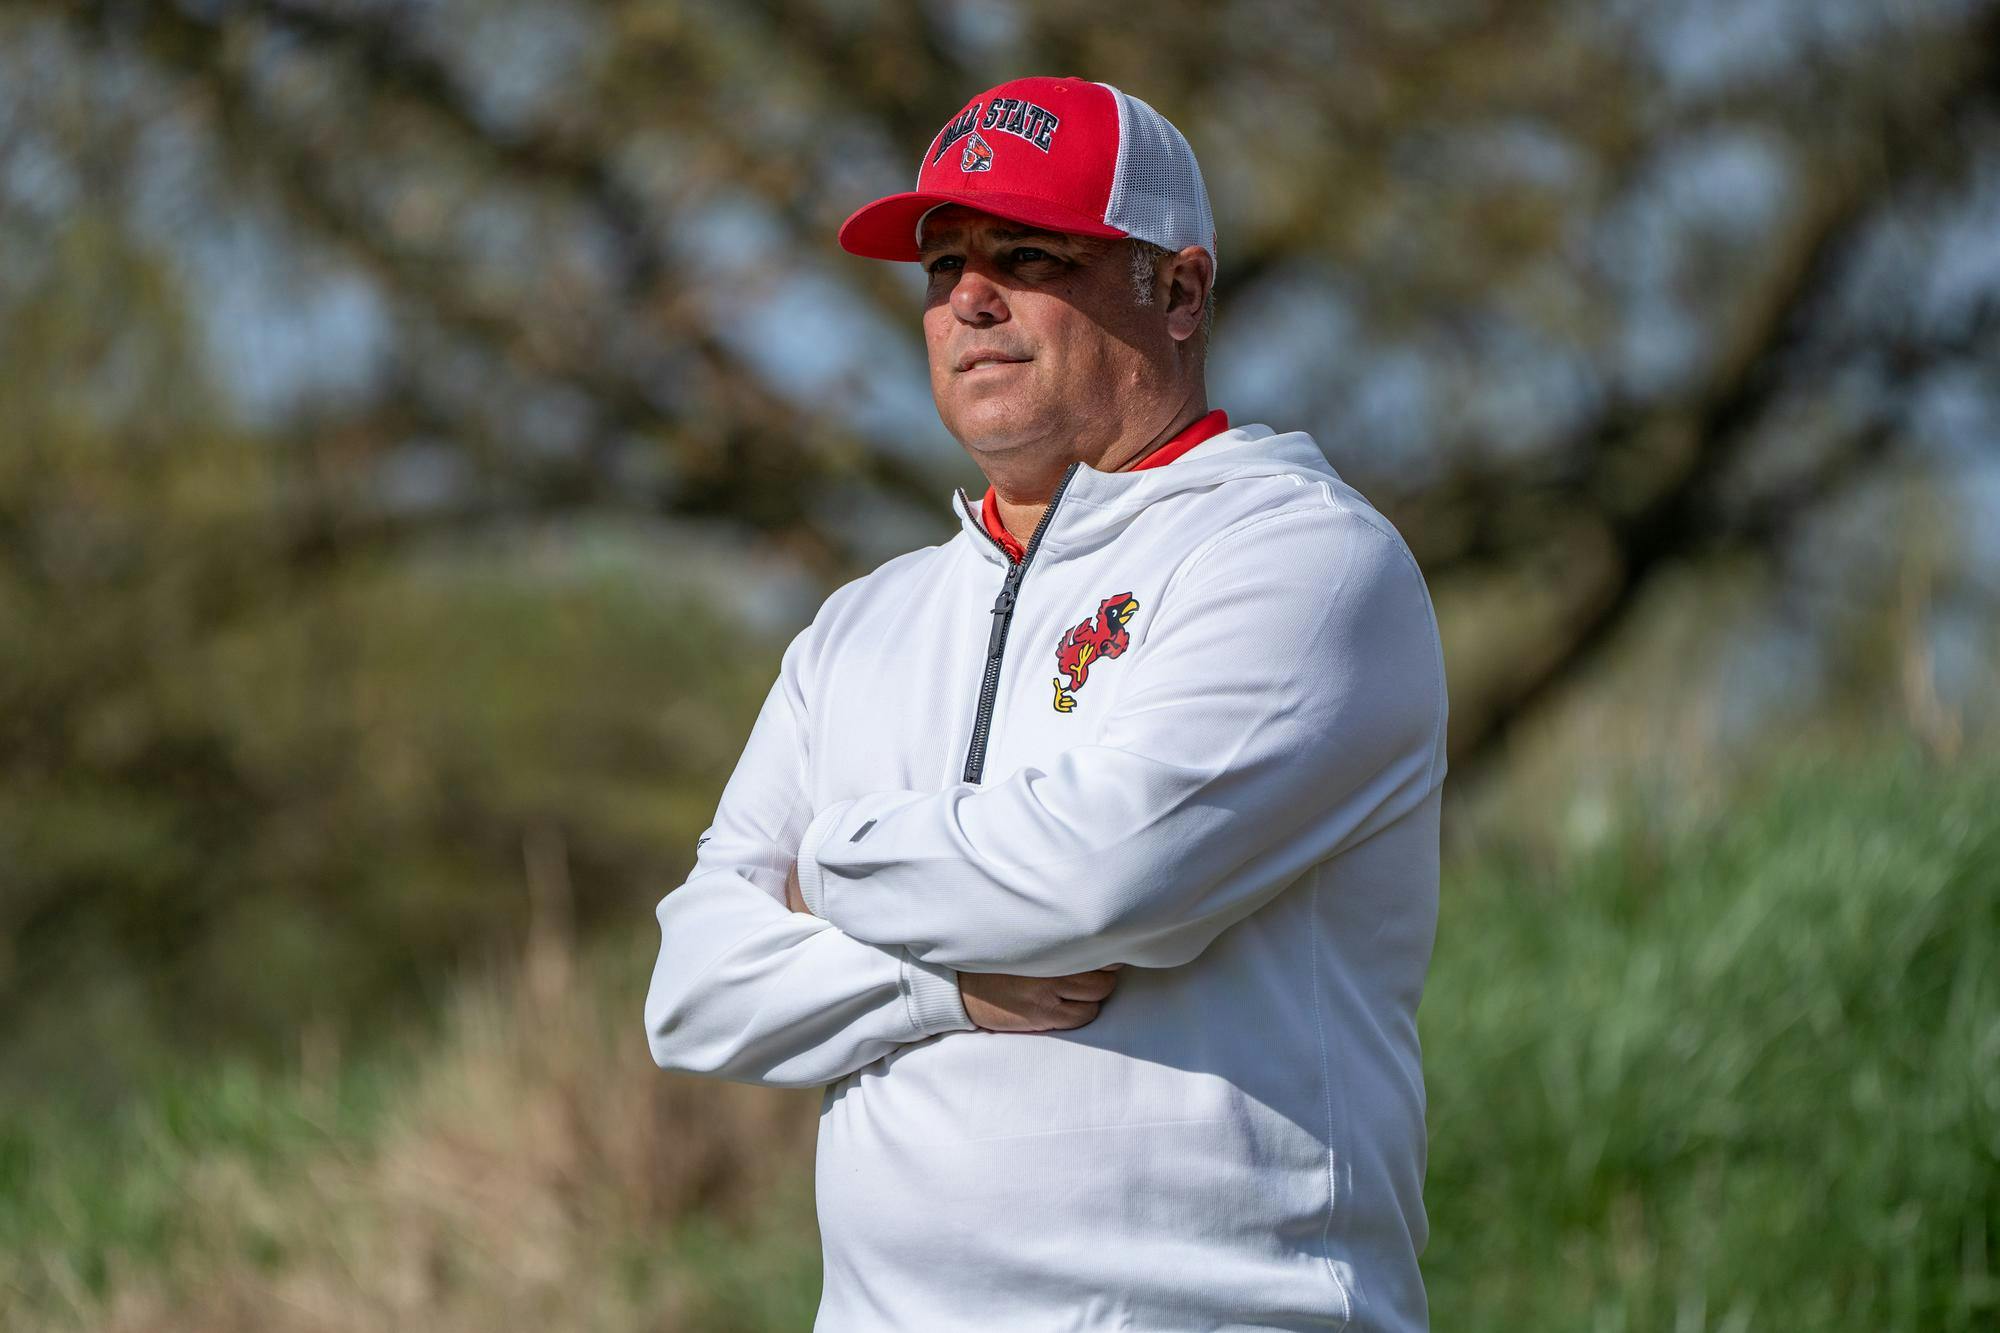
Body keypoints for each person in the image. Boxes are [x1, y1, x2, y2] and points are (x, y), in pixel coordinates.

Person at [645, 74, 1448, 1332]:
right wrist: (942, 988)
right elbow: (692, 987)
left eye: (1026, 254)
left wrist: (827, 858)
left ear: (1177, 293)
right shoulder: (860, 622)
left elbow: (1104, 875)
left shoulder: (1303, 556)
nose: (969, 297)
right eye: (941, 265)